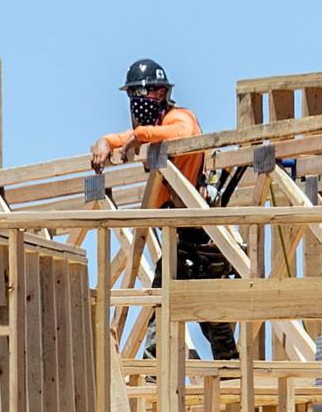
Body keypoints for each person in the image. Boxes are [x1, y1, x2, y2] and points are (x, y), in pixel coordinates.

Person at [90, 58, 238, 361]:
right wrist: (105, 142)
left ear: (160, 93)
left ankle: (228, 374)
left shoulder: (180, 118)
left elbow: (182, 133)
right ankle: (154, 371)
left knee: (212, 318)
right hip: (178, 238)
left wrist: (139, 135)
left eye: (140, 95)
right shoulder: (155, 129)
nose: (136, 104)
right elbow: (123, 138)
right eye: (132, 97)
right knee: (162, 303)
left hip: (204, 238)